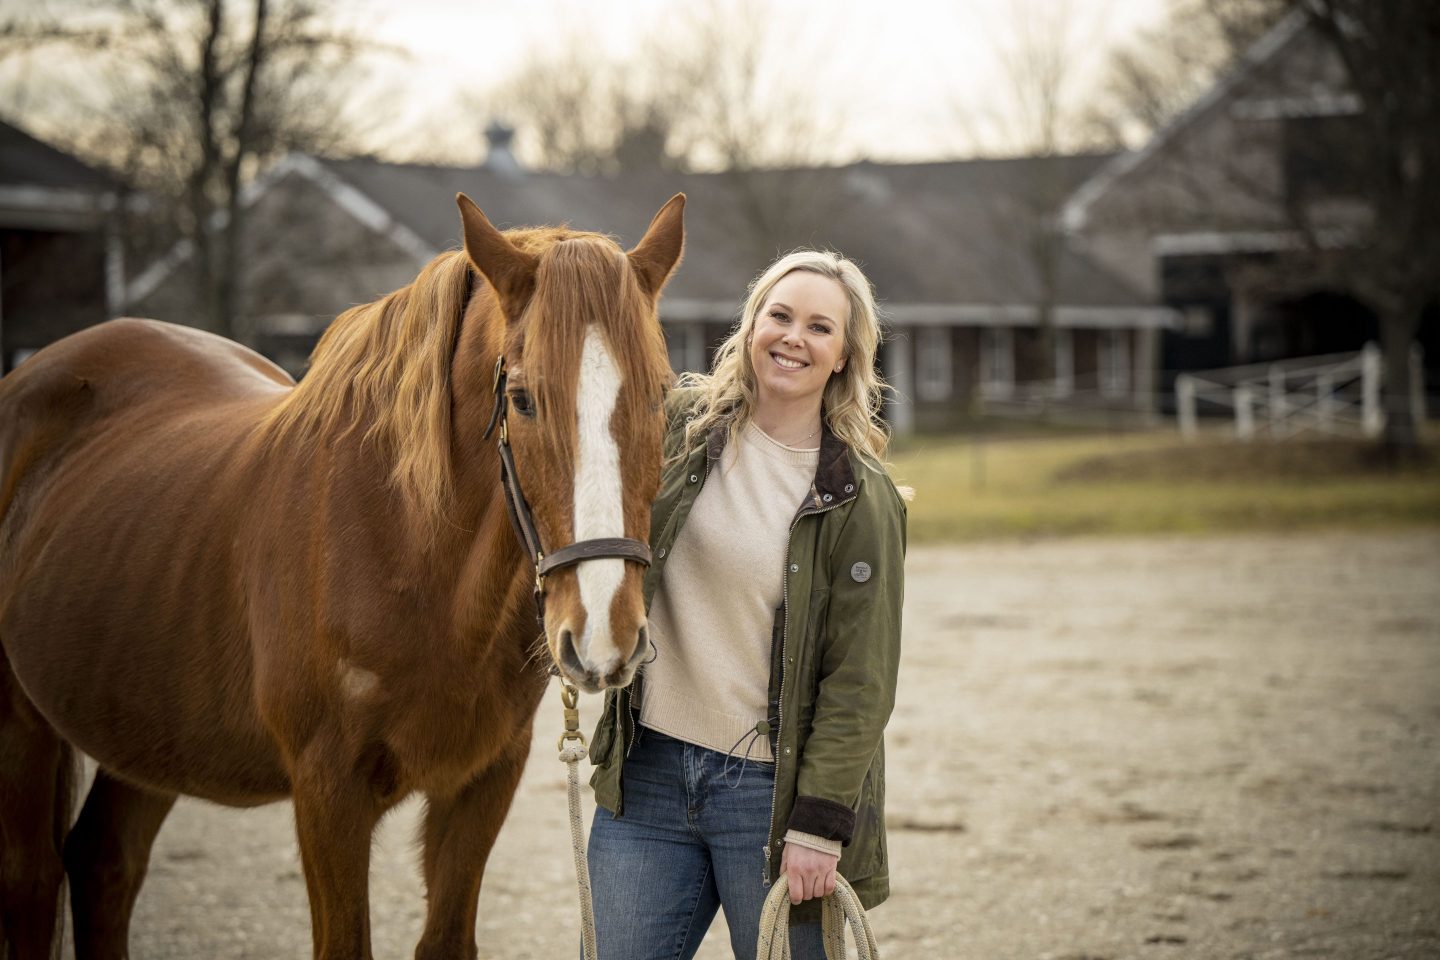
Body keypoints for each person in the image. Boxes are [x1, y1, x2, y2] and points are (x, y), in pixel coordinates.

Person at [586, 249, 908, 960]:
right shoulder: (675, 431)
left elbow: (861, 681)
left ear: (845, 357)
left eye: (820, 328)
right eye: (780, 315)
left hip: (768, 798)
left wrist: (820, 825)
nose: (794, 337)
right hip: (648, 776)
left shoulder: (861, 498)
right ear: (752, 323)